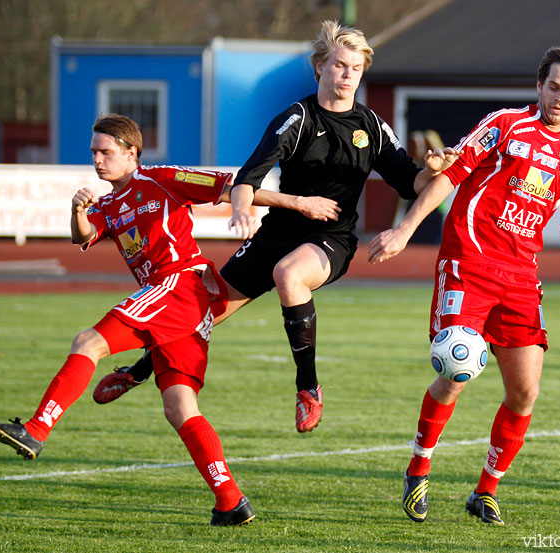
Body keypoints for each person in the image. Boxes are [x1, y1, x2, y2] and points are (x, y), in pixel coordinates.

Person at [92, 20, 458, 433]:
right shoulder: (297, 118)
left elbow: (411, 183)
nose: (347, 74)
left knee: (289, 276)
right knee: (200, 309)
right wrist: (242, 211)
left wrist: (430, 170)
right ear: (319, 67)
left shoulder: (371, 126)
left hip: (330, 238)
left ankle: (308, 389)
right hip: (277, 233)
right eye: (339, 65)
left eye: (355, 67)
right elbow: (248, 178)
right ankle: (138, 371)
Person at [0, 114, 335, 526]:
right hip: (184, 306)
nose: (98, 160)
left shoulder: (161, 178)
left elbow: (232, 189)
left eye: (106, 152)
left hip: (179, 285)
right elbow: (82, 236)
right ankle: (231, 501)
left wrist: (298, 202)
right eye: (94, 153)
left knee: (89, 341)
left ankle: (36, 429)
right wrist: (77, 210)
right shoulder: (108, 204)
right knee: (179, 407)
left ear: (131, 153)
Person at [368, 46, 560, 525]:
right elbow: (451, 173)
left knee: (525, 392)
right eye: (553, 86)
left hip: (520, 279)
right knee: (457, 370)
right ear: (539, 85)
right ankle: (418, 467)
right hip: (469, 263)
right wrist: (405, 230)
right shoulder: (505, 125)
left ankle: (485, 491)